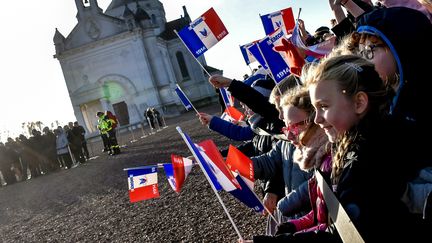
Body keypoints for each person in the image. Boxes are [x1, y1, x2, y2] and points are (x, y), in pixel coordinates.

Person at [306, 54, 425, 241]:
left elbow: (348, 233)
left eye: (324, 106)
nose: (316, 119)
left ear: (359, 103)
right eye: (315, 108)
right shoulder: (386, 131)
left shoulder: (368, 156)